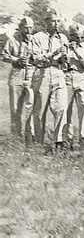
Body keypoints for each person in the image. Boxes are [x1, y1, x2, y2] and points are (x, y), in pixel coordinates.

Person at [30, 11, 69, 152]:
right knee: (40, 110)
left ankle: (59, 142)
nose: (56, 24)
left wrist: (64, 57)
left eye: (58, 21)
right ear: (46, 22)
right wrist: (53, 53)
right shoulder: (38, 37)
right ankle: (38, 143)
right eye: (53, 21)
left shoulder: (63, 37)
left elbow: (65, 61)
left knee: (61, 107)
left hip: (58, 73)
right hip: (43, 73)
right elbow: (35, 58)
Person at [2, 16, 35, 146]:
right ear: (20, 28)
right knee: (16, 108)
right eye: (25, 28)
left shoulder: (35, 41)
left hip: (31, 74)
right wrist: (16, 59)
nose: (28, 30)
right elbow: (4, 56)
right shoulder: (12, 40)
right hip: (16, 74)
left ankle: (30, 135)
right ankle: (15, 136)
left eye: (30, 28)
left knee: (31, 106)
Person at [64, 22, 84, 150]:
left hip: (81, 76)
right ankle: (67, 139)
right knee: (66, 109)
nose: (79, 40)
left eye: (81, 37)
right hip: (67, 77)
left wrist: (76, 50)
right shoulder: (63, 45)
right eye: (76, 37)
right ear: (70, 36)